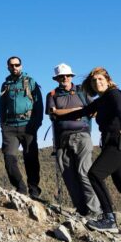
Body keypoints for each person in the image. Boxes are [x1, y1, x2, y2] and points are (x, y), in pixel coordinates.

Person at [51, 67, 121, 238]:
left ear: (108, 80)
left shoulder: (113, 94)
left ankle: (109, 218)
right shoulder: (101, 100)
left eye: (100, 79)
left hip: (120, 141)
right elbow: (82, 112)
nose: (97, 83)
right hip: (113, 142)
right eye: (94, 81)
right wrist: (58, 117)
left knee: (94, 174)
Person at [46, 63, 101, 217]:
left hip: (82, 135)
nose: (65, 78)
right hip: (62, 139)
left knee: (84, 172)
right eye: (61, 76)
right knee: (69, 175)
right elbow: (53, 113)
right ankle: (81, 209)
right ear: (57, 79)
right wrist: (76, 111)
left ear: (71, 76)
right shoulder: (51, 94)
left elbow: (95, 109)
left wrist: (84, 113)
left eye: (67, 75)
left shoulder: (82, 92)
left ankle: (95, 210)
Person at [0, 56, 44, 198]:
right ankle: (20, 187)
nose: (14, 67)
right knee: (9, 158)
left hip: (28, 125)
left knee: (30, 158)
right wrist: (3, 125)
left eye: (17, 64)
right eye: (11, 65)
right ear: (8, 67)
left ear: (21, 66)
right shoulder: (5, 84)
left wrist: (36, 124)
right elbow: (2, 106)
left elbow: (39, 104)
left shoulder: (30, 82)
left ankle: (34, 190)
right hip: (10, 127)